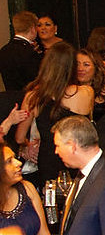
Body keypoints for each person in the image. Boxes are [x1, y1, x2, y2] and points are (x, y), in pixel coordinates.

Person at [15, 42, 94, 185]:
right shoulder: (85, 92)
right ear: (72, 67)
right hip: (79, 156)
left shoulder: (33, 97)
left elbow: (20, 138)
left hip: (49, 159)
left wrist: (29, 144)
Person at [0, 11, 42, 93]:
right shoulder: (30, 52)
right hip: (29, 97)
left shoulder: (4, 50)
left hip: (10, 97)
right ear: (32, 29)